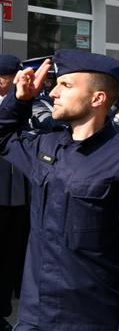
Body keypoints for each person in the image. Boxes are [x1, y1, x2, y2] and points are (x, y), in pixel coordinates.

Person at [0, 50, 119, 330]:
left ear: (97, 98)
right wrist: (20, 100)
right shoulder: (46, 146)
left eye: (65, 85)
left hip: (90, 317)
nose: (53, 93)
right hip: (35, 316)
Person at [0, 55, 28, 331]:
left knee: (11, 254)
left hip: (17, 193)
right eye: (12, 77)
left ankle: (3, 308)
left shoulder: (23, 105)